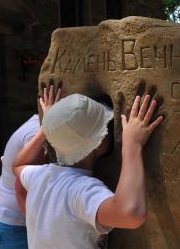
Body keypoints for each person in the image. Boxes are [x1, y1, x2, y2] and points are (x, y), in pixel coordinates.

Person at [12, 92, 163, 249]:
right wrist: (132, 145)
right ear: (100, 140)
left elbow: (17, 165)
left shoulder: (40, 175)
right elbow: (131, 215)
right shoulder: (82, 190)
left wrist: (50, 127)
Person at [0, 85, 60, 248]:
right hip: (10, 229)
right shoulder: (36, 132)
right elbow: (25, 188)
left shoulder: (39, 125)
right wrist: (40, 233)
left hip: (14, 225)